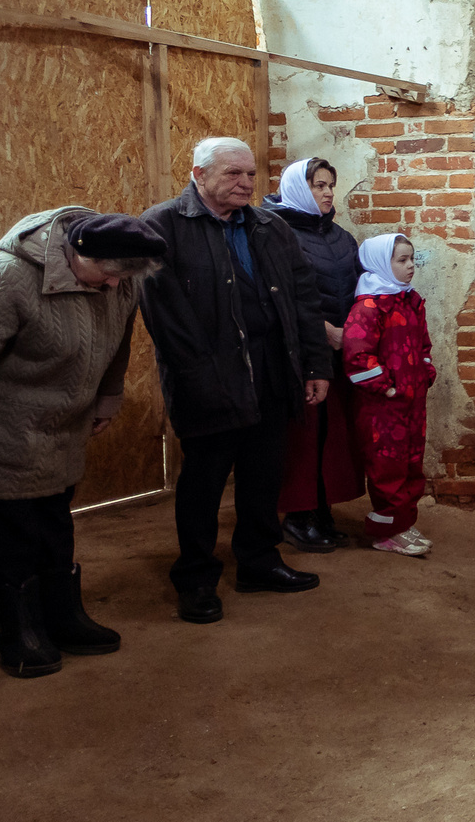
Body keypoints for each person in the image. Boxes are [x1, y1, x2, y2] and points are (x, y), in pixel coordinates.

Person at [0, 208, 165, 678]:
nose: (111, 287)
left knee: (55, 527)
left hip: (64, 431)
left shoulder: (118, 278)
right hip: (4, 431)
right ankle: (18, 631)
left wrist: (107, 396)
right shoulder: (6, 277)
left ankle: (63, 617)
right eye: (106, 275)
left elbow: (118, 340)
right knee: (11, 536)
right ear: (77, 252)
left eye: (121, 279)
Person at [138, 137, 331, 624]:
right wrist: (203, 380)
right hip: (205, 376)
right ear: (199, 175)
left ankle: (259, 561)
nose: (246, 183)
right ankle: (197, 577)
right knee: (203, 481)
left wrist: (314, 366)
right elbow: (167, 321)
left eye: (250, 174)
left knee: (264, 473)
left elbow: (303, 299)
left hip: (270, 368)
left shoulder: (271, 226)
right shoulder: (161, 227)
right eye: (232, 174)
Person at [267, 157, 362, 553]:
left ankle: (322, 508)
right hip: (299, 351)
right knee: (302, 436)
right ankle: (297, 515)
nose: (327, 193)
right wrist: (325, 332)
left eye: (329, 186)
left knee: (332, 432)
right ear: (296, 188)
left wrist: (353, 333)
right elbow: (280, 297)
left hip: (339, 350)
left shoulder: (341, 237)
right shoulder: (274, 233)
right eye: (317, 185)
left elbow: (359, 287)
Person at [344, 232, 437, 557]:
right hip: (382, 409)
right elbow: (357, 357)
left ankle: (402, 525)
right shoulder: (369, 307)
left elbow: (424, 345)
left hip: (412, 404)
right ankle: (385, 532)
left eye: (412, 259)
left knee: (412, 465)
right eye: (402, 260)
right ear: (382, 263)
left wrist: (425, 371)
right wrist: (388, 386)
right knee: (388, 469)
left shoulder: (410, 301)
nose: (411, 266)